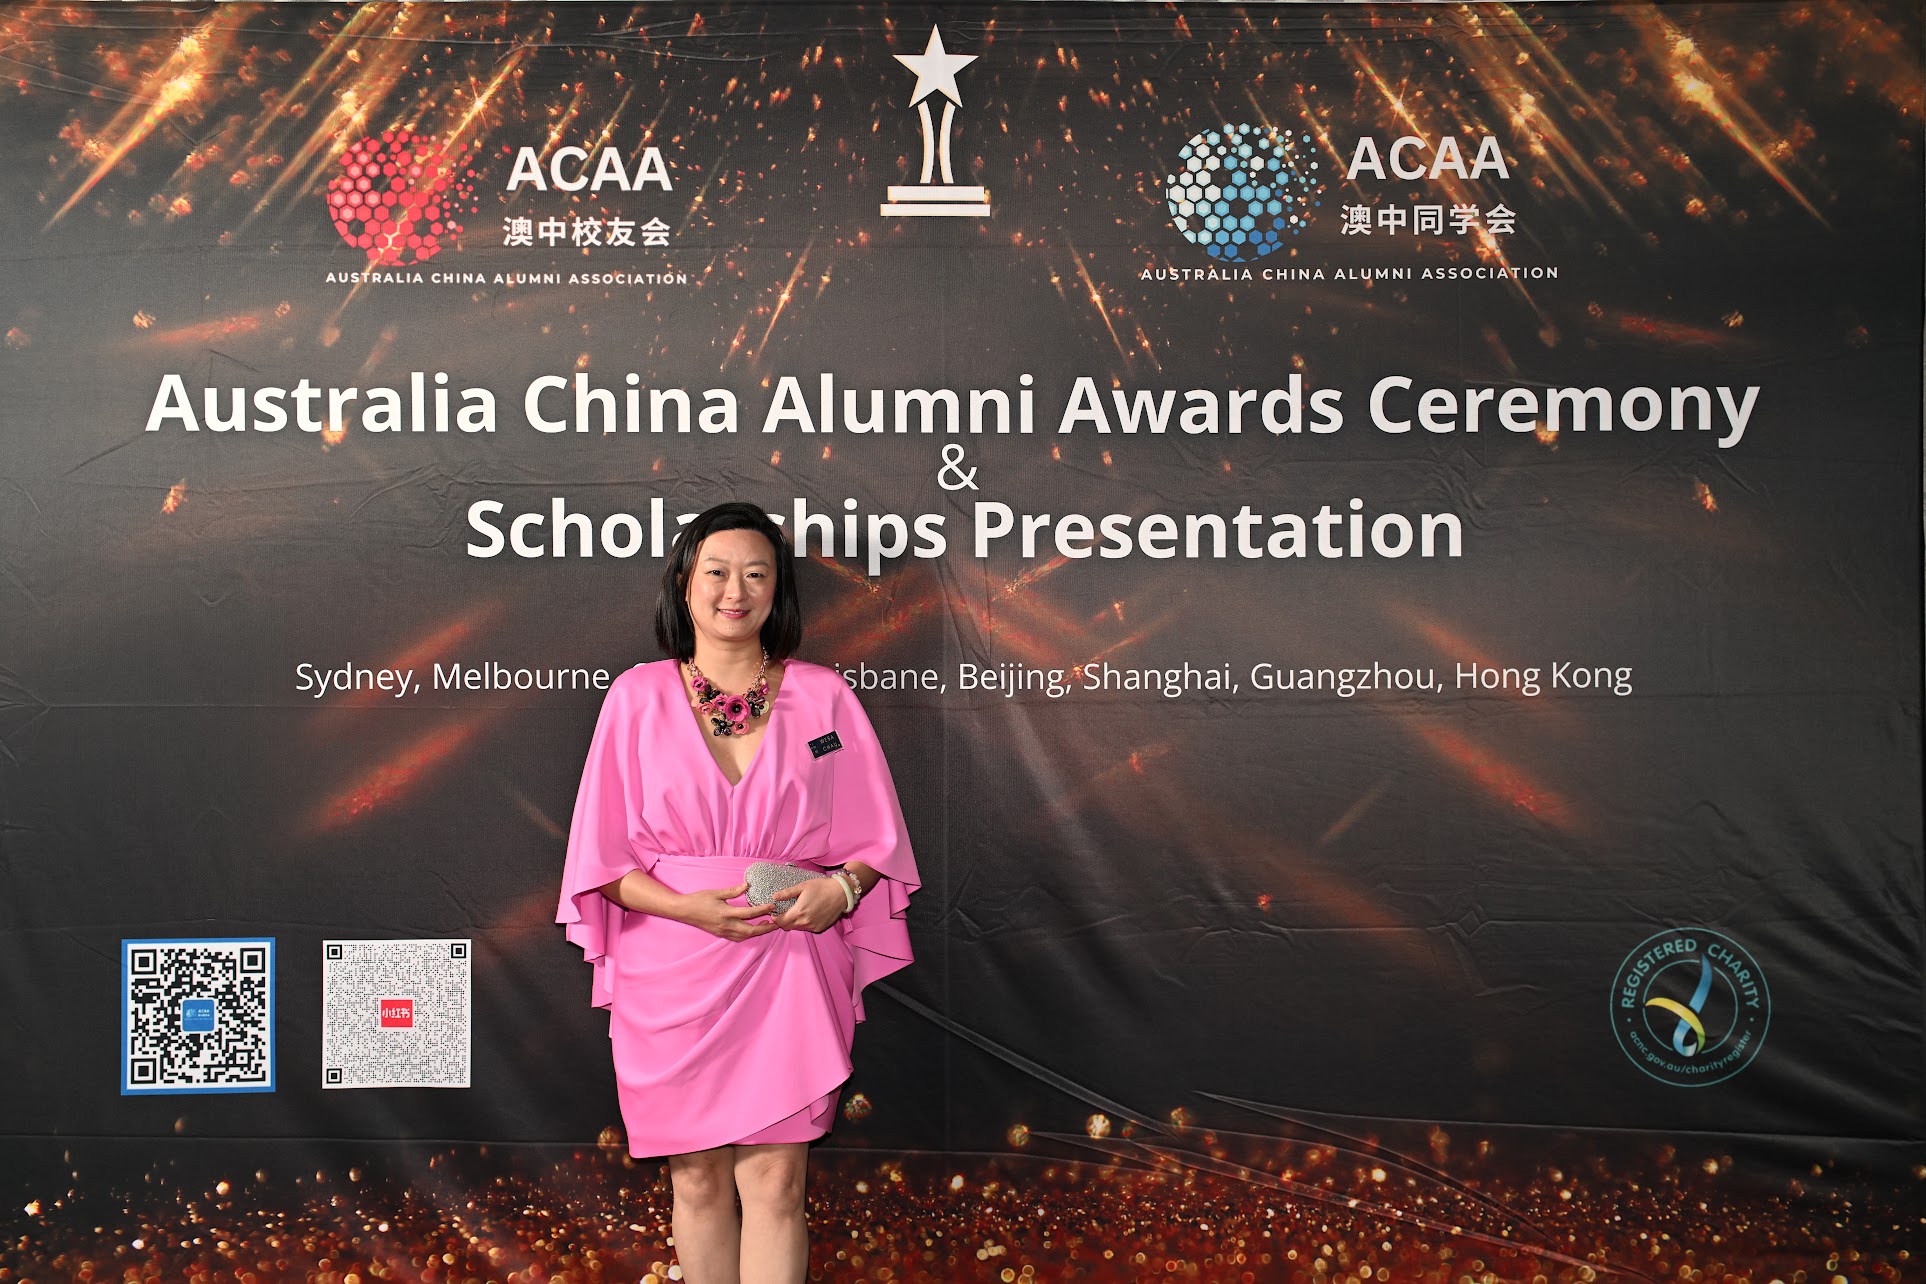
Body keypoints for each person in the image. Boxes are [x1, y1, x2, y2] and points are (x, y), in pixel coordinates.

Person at [555, 500, 919, 1284]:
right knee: (694, 1178)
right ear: (683, 585)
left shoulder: (824, 698)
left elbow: (873, 844)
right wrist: (688, 907)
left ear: (778, 592)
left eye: (757, 573)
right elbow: (600, 860)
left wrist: (842, 893)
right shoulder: (635, 699)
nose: (735, 589)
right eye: (716, 571)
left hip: (790, 958)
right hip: (671, 964)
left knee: (779, 1182)